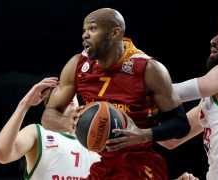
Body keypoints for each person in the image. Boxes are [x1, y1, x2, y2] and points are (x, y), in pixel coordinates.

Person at [113, 12, 218, 179]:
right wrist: (131, 118)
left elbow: (172, 93)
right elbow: (172, 140)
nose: (213, 40)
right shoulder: (216, 100)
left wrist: (118, 91)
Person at [42, 7, 191, 179]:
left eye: (93, 28)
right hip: (103, 164)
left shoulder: (148, 68)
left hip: (139, 163)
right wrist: (68, 123)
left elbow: (181, 124)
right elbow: (48, 115)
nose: (85, 35)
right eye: (84, 30)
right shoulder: (77, 65)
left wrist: (144, 134)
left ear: (114, 33)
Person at [0, 77, 100, 180]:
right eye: (61, 94)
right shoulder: (38, 133)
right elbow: (1, 155)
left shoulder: (97, 139)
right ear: (50, 106)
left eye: (71, 93)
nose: (69, 96)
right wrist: (24, 105)